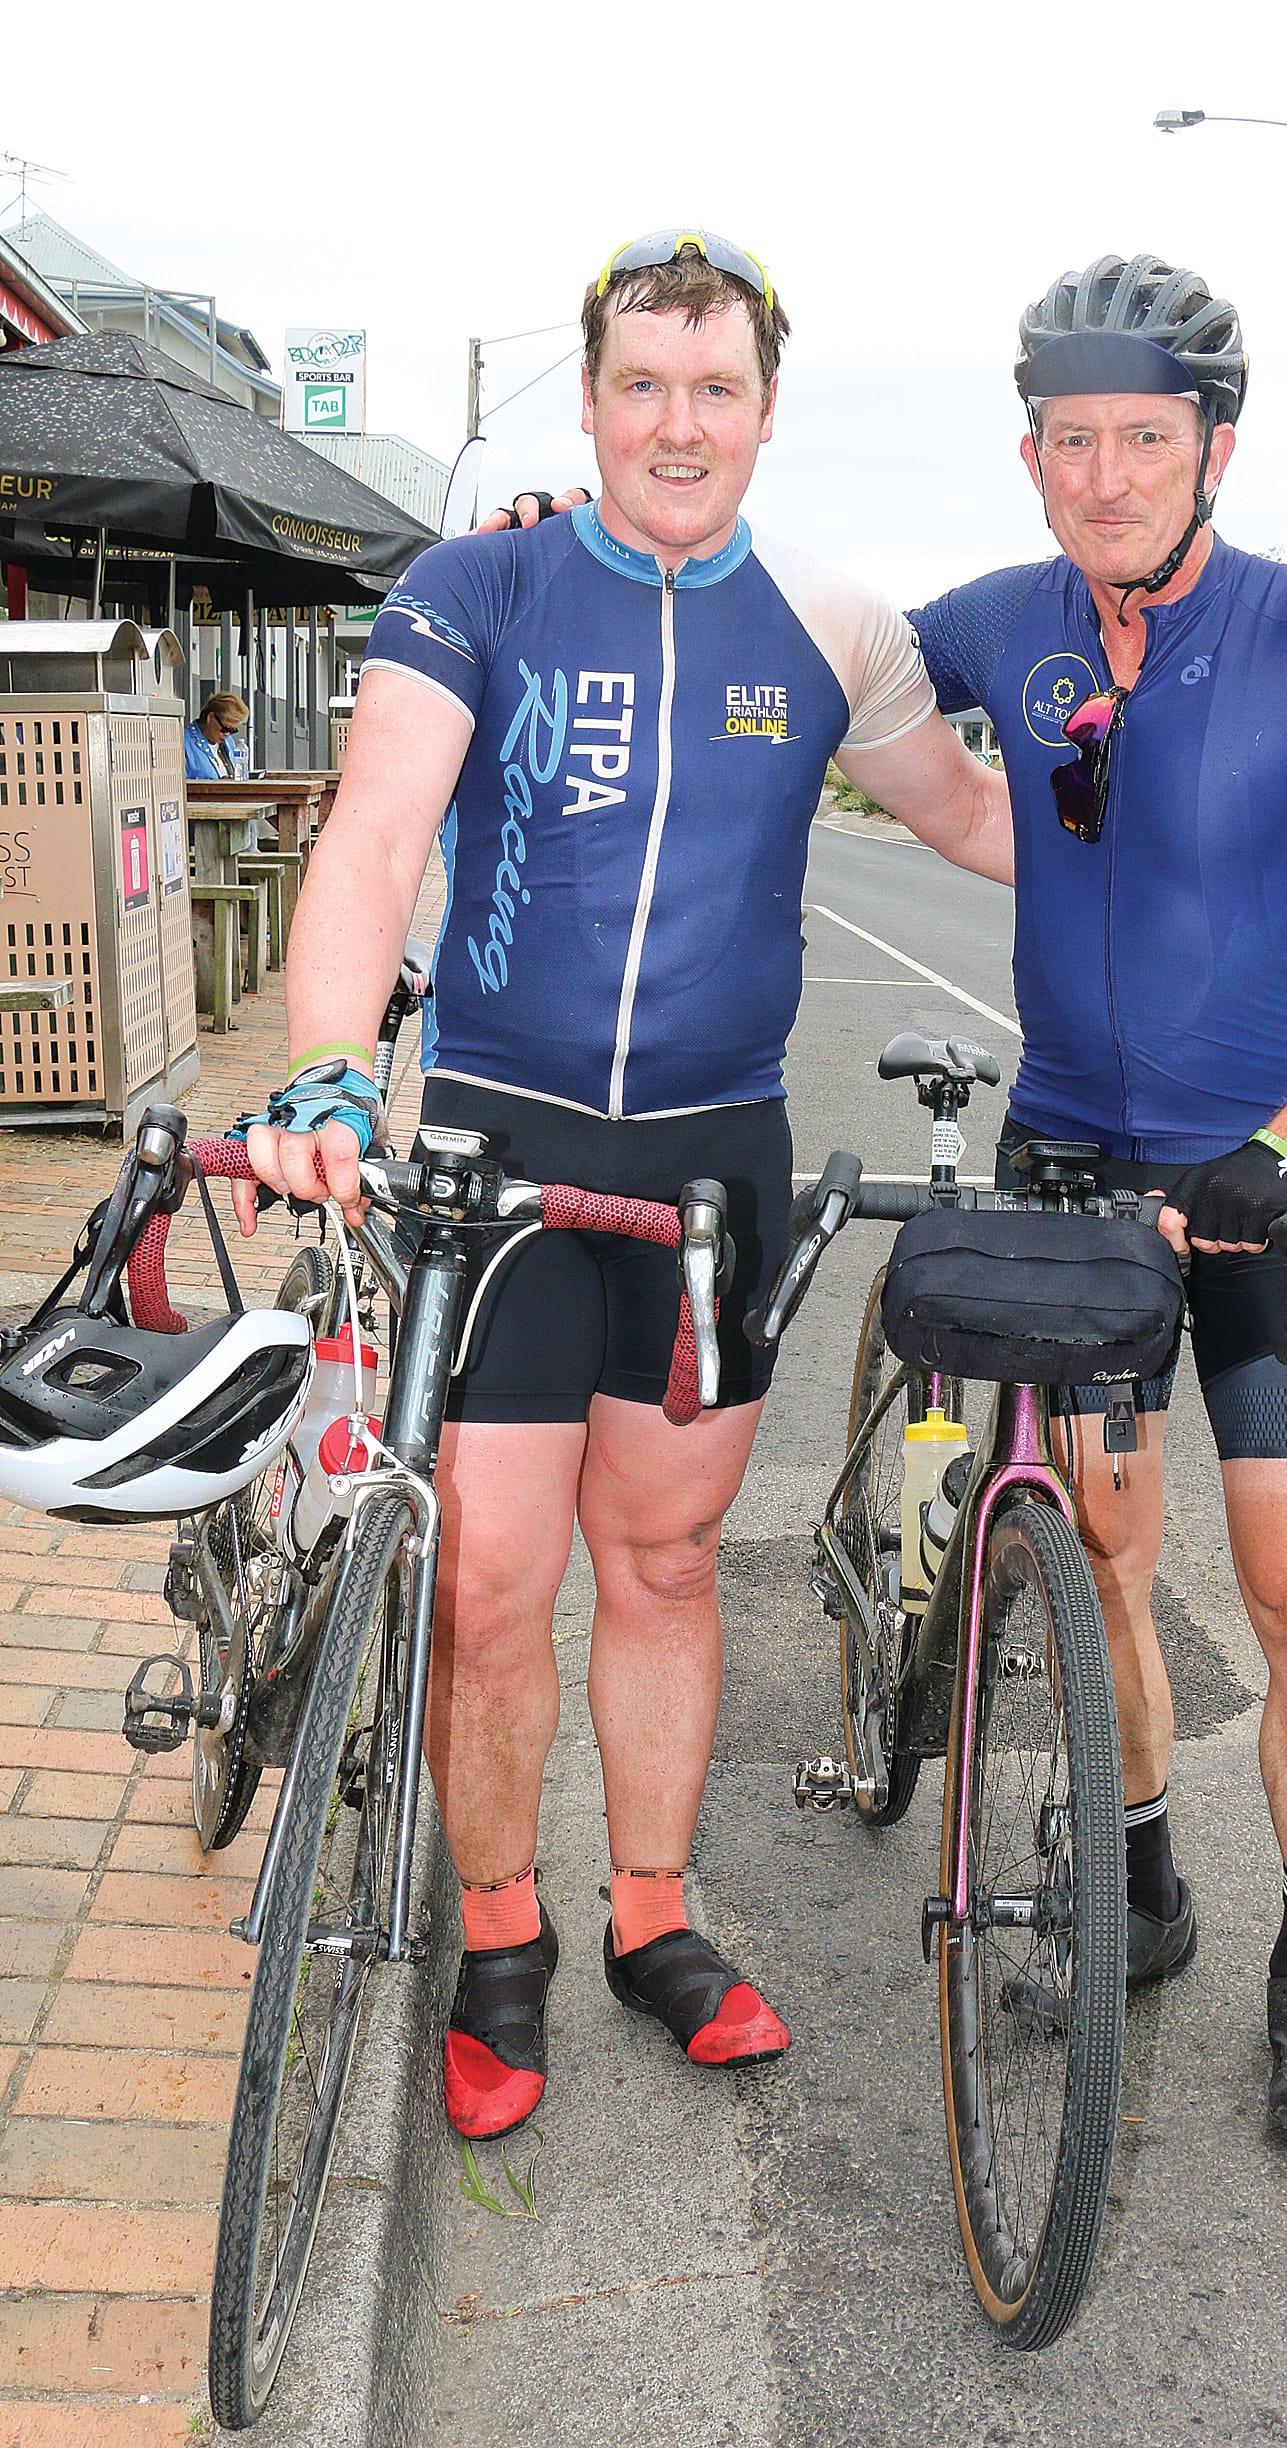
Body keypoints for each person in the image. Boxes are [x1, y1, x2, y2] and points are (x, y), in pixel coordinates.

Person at [233, 228, 1013, 2143]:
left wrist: (1176, 799)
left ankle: (650, 1916)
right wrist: (334, 1065)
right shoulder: (476, 584)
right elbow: (375, 832)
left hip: (710, 1168)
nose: (678, 422)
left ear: (763, 409)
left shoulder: (829, 626)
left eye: (715, 387)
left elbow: (985, 821)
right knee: (493, 1582)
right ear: (589, 400)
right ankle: (497, 1939)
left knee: (660, 1564)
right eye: (642, 384)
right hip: (498, 1147)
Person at [903, 253, 1287, 2135]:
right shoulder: (1001, 625)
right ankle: (1138, 1882)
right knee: (1108, 1555)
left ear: (1209, 445)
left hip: (1270, 1182)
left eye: (1139, 437)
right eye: (1067, 439)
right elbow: (792, 656)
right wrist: (562, 544)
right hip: (1070, 1167)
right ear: (1028, 450)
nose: (1101, 474)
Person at [184, 690, 248, 781]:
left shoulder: (228, 742)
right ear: (210, 718)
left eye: (232, 730)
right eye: (225, 728)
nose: (227, 734)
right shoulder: (184, 744)